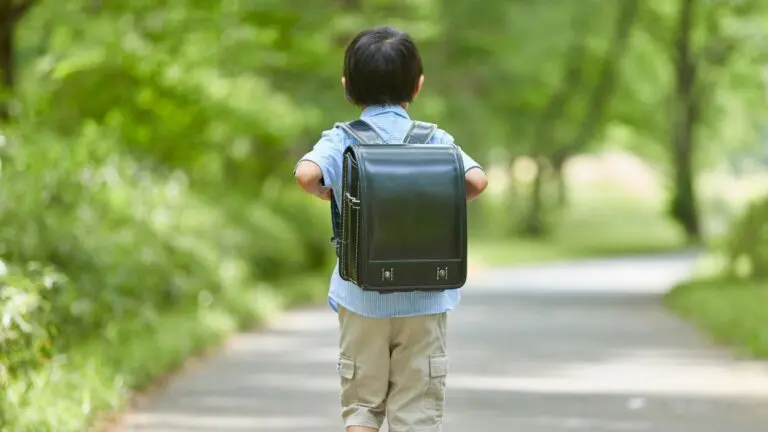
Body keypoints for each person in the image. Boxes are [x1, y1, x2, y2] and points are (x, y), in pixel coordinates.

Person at [293, 26, 488, 432]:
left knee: (362, 408)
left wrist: (334, 194)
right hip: (425, 299)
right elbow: (476, 181)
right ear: (417, 87)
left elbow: (306, 174)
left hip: (361, 296)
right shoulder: (435, 139)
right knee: (416, 411)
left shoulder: (341, 140)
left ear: (348, 87)